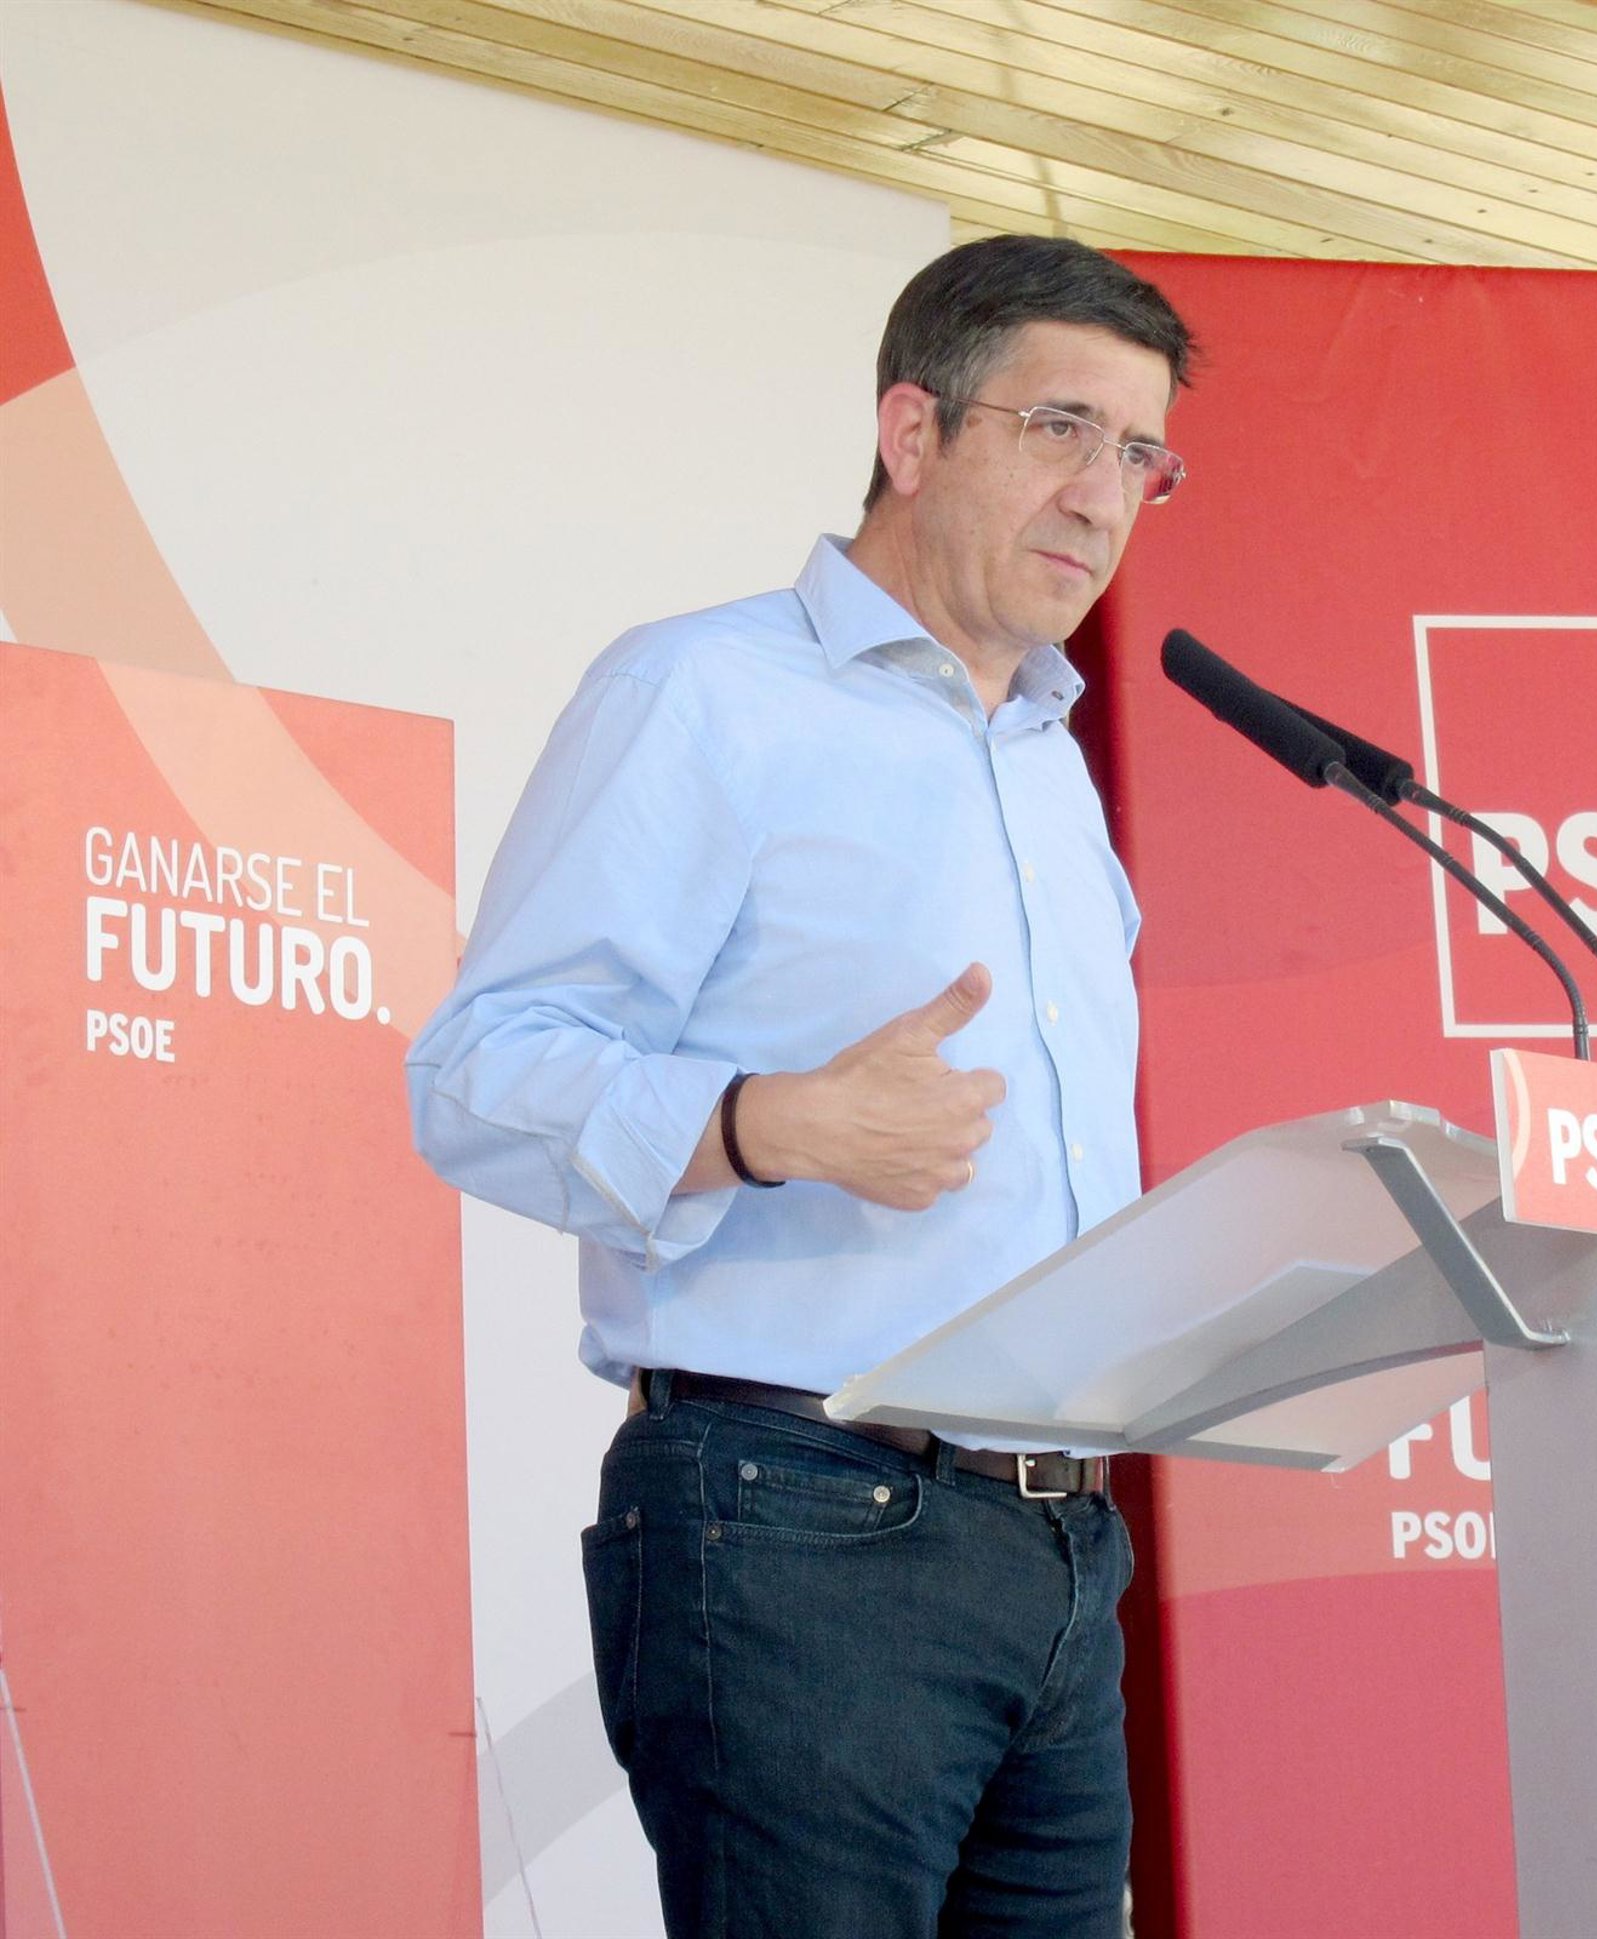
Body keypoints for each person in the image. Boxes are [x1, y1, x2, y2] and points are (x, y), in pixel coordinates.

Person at [408, 233, 1194, 1939]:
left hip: (1058, 1547)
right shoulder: (704, 692)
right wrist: (768, 1124)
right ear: (913, 432)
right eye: (1061, 428)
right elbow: (479, 1071)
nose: (1104, 493)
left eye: (1142, 453)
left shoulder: (1052, 771)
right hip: (796, 1523)